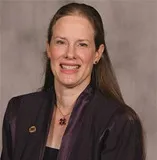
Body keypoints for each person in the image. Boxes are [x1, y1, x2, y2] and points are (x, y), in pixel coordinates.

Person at [1, 2, 145, 160]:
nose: (70, 54)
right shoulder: (19, 112)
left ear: (97, 53)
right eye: (61, 42)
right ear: (49, 48)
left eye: (82, 44)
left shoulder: (120, 123)